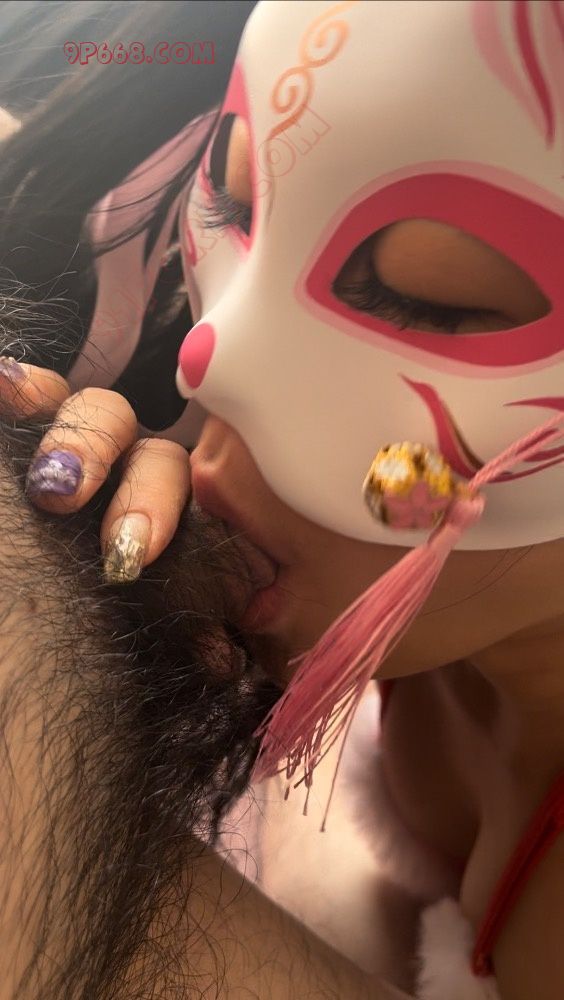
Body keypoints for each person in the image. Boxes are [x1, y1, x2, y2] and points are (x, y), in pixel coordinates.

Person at [1, 1, 563, 998]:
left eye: (436, 294)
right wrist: (75, 611)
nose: (208, 362)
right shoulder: (438, 616)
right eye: (236, 203)